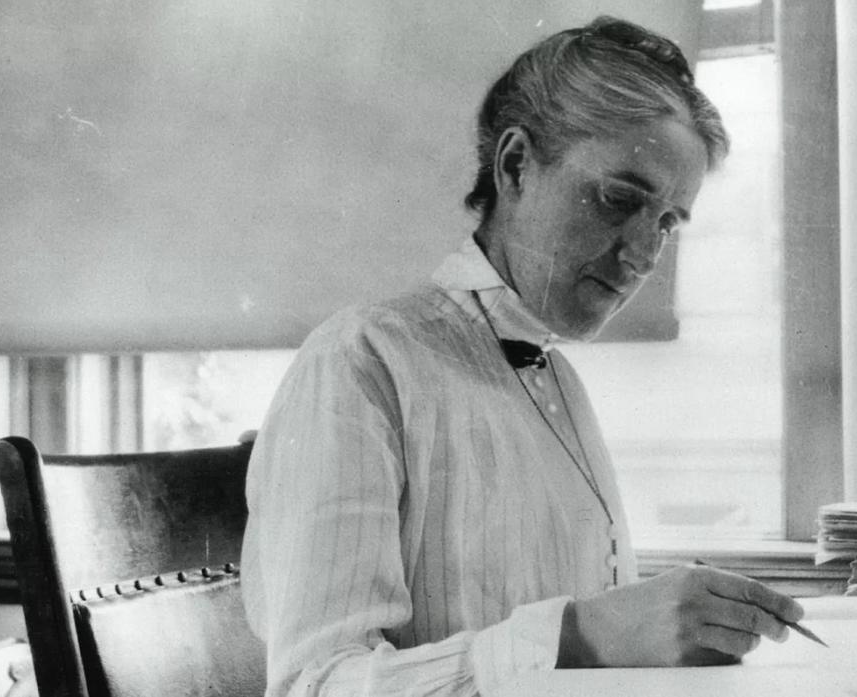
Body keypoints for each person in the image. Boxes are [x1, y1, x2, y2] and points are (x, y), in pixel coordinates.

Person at [241, 16, 803, 697]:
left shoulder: (557, 379)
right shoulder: (361, 362)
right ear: (515, 166)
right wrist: (583, 636)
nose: (644, 256)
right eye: (619, 199)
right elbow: (315, 684)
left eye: (666, 222)